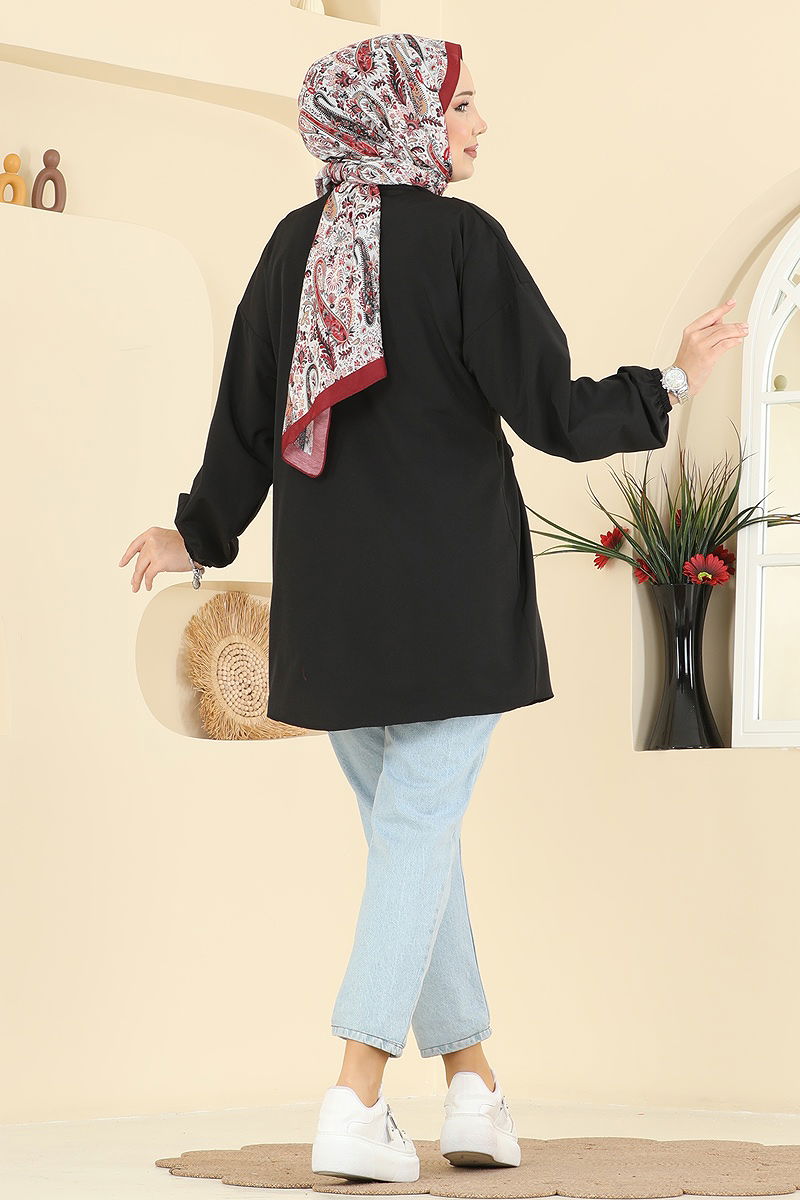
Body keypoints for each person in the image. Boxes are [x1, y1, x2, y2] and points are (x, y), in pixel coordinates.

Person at [118, 32, 749, 1185]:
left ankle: (472, 1089)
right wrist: (670, 381)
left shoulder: (293, 247)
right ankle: (354, 1095)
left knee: (412, 841)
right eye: (460, 105)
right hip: (452, 604)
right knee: (414, 835)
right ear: (400, 116)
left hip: (332, 615)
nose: (477, 125)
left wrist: (195, 533)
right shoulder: (462, 242)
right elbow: (552, 413)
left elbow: (245, 420)